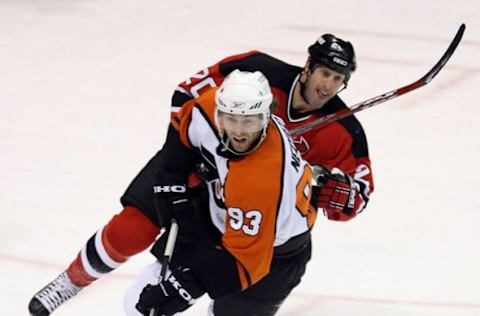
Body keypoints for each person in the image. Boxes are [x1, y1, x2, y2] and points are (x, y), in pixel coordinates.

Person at [29, 33, 373, 315]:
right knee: (130, 229)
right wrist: (193, 158)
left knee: (231, 293)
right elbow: (187, 99)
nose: (328, 84)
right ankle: (72, 280)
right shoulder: (253, 74)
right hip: (196, 169)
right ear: (309, 66)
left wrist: (338, 193)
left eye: (338, 79)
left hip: (257, 217)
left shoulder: (343, 134)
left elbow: (358, 194)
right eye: (325, 72)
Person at [124, 69, 318, 315]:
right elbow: (183, 126)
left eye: (249, 121)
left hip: (274, 254)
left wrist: (187, 286)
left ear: (266, 117)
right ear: (219, 113)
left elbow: (244, 264)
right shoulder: (208, 107)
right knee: (139, 301)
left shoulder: (260, 180)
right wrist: (172, 174)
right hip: (220, 214)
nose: (238, 131)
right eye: (231, 119)